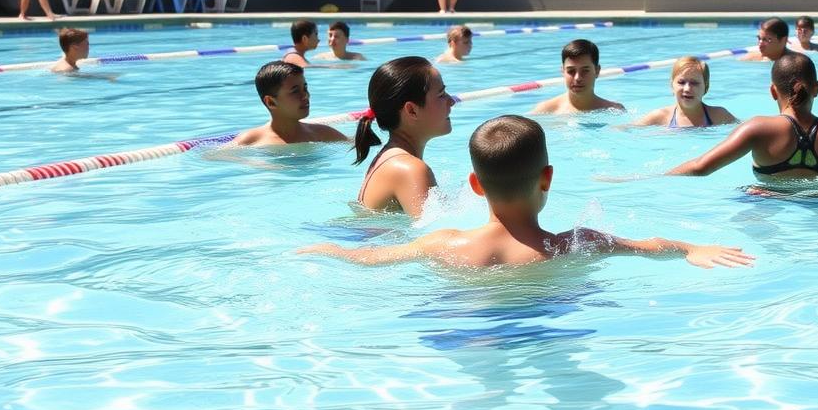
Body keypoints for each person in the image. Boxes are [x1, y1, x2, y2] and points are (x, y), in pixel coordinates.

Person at [299, 115, 755, 269]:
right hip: (548, 318)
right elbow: (649, 246)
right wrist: (694, 247)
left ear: (475, 186)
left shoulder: (443, 244)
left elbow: (368, 258)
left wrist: (321, 248)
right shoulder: (576, 243)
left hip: (463, 321)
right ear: (547, 178)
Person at [670, 53, 818, 178]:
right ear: (816, 88)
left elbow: (700, 168)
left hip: (768, 204)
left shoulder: (758, 128)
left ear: (773, 91)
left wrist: (650, 178)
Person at [353, 56, 455, 217]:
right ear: (411, 110)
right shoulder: (410, 169)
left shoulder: (390, 158)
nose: (452, 101)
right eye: (441, 94)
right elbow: (436, 237)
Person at [232, 62, 348, 146]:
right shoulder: (249, 141)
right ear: (271, 102)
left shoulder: (323, 134)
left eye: (305, 88)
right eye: (295, 91)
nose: (306, 95)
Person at [634, 56, 736, 128]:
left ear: (706, 87)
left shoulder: (718, 115)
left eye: (694, 83)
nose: (687, 89)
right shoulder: (659, 117)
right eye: (681, 82)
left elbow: (747, 130)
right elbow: (627, 130)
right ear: (671, 86)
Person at [532, 39, 625, 114]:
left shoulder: (614, 111)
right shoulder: (545, 111)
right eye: (571, 71)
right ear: (563, 71)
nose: (577, 78)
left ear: (597, 71)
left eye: (585, 71)